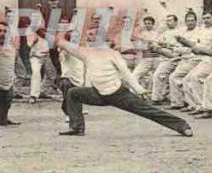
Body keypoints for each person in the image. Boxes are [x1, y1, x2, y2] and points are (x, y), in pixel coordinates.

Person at [56, 28, 193, 137]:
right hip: (97, 94)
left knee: (146, 110)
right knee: (73, 93)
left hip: (118, 94)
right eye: (88, 35)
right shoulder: (85, 52)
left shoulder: (113, 54)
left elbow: (126, 74)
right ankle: (76, 127)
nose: (88, 37)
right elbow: (61, 42)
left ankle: (182, 126)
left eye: (92, 35)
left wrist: (139, 90)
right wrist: (67, 29)